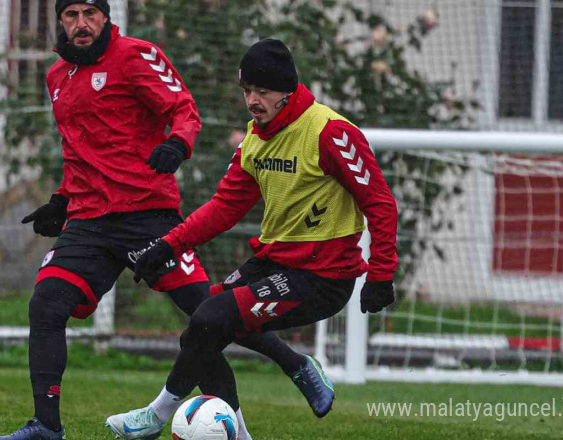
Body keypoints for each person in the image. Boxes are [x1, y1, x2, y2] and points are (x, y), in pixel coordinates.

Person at [0, 3, 334, 439]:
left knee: (207, 315)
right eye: (72, 13)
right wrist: (62, 199)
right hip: (89, 221)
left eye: (90, 12)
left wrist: (178, 144)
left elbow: (184, 109)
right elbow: (80, 150)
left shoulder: (136, 55)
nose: (82, 23)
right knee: (46, 305)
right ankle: (46, 426)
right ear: (61, 20)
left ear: (105, 16)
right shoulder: (57, 76)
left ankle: (295, 366)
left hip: (148, 217)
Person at [106, 38, 398, 437]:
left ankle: (156, 416)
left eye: (262, 91)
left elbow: (380, 203)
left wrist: (381, 274)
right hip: (275, 263)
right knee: (201, 327)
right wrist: (168, 245)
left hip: (323, 277)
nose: (252, 100)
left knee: (211, 318)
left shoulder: (330, 132)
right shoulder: (255, 139)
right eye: (247, 91)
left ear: (288, 92)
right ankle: (279, 387)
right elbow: (224, 208)